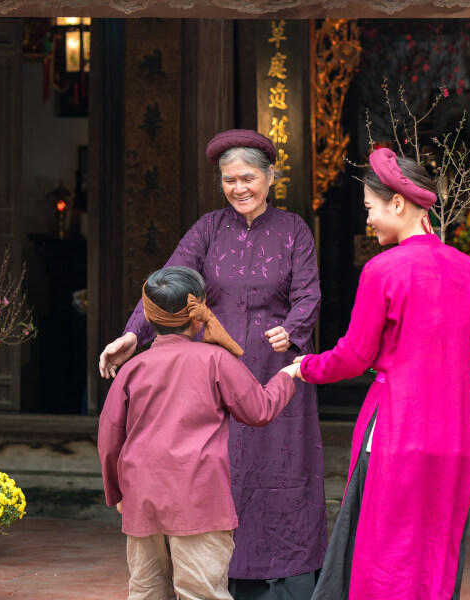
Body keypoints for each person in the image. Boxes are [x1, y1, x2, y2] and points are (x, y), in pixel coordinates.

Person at [99, 129, 327, 598]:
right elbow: (168, 284)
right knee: (216, 464)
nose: (238, 188)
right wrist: (131, 334)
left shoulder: (294, 230)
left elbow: (309, 293)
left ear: (270, 177)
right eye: (228, 180)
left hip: (273, 363)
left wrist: (296, 331)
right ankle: (213, 575)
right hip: (211, 370)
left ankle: (280, 574)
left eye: (247, 178)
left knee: (277, 471)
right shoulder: (207, 229)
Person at [296, 148, 470, 600]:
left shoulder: (382, 270)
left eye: (370, 208)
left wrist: (305, 368)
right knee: (436, 549)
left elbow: (352, 355)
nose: (367, 220)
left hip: (396, 429)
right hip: (457, 435)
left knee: (383, 552)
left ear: (399, 204)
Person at [98, 266, 303, 600]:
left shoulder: (131, 369)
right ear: (198, 316)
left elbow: (108, 442)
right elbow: (260, 410)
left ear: (148, 320)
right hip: (199, 499)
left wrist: (118, 494)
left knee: (147, 592)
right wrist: (288, 375)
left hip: (142, 497)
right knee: (202, 594)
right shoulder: (215, 360)